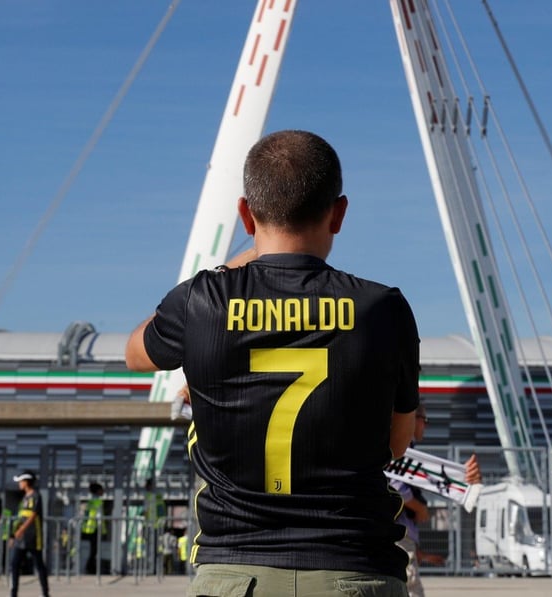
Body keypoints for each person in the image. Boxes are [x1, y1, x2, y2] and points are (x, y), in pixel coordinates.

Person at [125, 129, 419, 595]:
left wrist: (234, 270)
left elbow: (135, 354)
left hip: (235, 572)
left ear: (246, 212)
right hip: (354, 567)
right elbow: (398, 442)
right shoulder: (382, 308)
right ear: (339, 213)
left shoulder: (202, 303)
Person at [390, 405, 482, 597]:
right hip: (399, 534)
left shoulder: (403, 449)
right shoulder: (400, 446)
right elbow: (397, 487)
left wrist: (461, 477)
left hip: (401, 536)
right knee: (411, 591)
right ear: (413, 417)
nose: (426, 426)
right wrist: (420, 508)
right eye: (425, 420)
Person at [7, 471, 50, 597]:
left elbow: (33, 515)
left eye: (21, 481)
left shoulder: (36, 496)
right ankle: (13, 593)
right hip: (21, 539)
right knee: (14, 564)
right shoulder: (24, 498)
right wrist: (13, 535)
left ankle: (45, 593)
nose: (19, 484)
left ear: (26, 482)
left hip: (33, 536)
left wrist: (21, 530)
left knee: (39, 565)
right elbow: (21, 518)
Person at [80, 482, 104, 575]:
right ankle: (90, 569)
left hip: (87, 528)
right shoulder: (98, 501)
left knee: (90, 551)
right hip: (94, 529)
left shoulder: (89, 501)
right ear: (98, 491)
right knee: (94, 551)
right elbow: (99, 516)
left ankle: (89, 568)